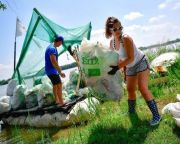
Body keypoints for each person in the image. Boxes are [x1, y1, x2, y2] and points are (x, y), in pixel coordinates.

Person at [105, 16, 161, 126]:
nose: (118, 31)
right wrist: (112, 69)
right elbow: (116, 59)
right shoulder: (112, 43)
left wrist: (117, 68)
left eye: (120, 28)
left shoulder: (126, 38)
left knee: (142, 88)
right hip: (130, 66)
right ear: (109, 30)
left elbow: (130, 57)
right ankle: (131, 112)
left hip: (141, 62)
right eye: (115, 29)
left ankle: (156, 115)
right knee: (130, 89)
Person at [45, 36, 66, 106]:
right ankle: (61, 102)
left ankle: (57, 100)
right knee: (59, 85)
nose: (61, 45)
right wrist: (60, 72)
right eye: (61, 43)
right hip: (52, 71)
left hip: (49, 71)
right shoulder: (52, 49)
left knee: (55, 85)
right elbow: (53, 61)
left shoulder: (50, 46)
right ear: (59, 41)